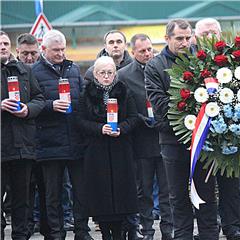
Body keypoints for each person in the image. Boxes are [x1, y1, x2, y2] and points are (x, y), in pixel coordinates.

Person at [145, 18, 219, 240]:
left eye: (188, 38)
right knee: (177, 196)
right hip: (172, 140)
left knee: (207, 194)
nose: (184, 43)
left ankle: (209, 235)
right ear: (167, 38)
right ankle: (183, 236)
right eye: (179, 38)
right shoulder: (155, 66)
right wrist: (190, 118)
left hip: (205, 139)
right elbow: (159, 104)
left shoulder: (203, 59)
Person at [31, 29, 92, 240]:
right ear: (44, 49)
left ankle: (82, 232)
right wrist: (50, 105)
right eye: (56, 50)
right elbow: (32, 104)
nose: (60, 53)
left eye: (63, 49)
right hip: (49, 142)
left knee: (81, 192)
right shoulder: (34, 72)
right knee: (53, 194)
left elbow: (82, 99)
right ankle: (56, 233)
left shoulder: (73, 69)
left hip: (75, 140)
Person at [194, 18, 240, 240]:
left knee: (232, 185)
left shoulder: (232, 57)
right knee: (203, 185)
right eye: (205, 33)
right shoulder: (190, 59)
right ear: (197, 37)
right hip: (202, 132)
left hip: (230, 132)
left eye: (213, 32)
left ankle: (232, 227)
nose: (210, 37)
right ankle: (208, 228)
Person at [118, 34, 173, 240]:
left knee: (168, 190)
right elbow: (122, 106)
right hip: (141, 140)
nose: (147, 53)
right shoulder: (124, 75)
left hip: (164, 136)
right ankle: (147, 229)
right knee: (145, 190)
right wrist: (139, 118)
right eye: (142, 51)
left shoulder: (162, 67)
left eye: (150, 49)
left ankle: (168, 229)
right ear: (133, 53)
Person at [78, 56, 139, 240]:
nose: (106, 76)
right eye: (102, 73)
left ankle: (121, 233)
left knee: (122, 195)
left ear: (115, 74)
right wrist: (99, 129)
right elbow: (79, 121)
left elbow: (134, 118)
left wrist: (121, 128)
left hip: (121, 150)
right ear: (95, 75)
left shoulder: (124, 92)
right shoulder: (85, 93)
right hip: (96, 152)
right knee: (101, 196)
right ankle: (105, 233)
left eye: (110, 73)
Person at [1, 30, 45, 240]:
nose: (2, 47)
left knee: (22, 198)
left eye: (5, 43)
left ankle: (21, 236)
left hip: (23, 146)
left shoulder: (23, 71)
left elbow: (39, 98)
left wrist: (28, 109)